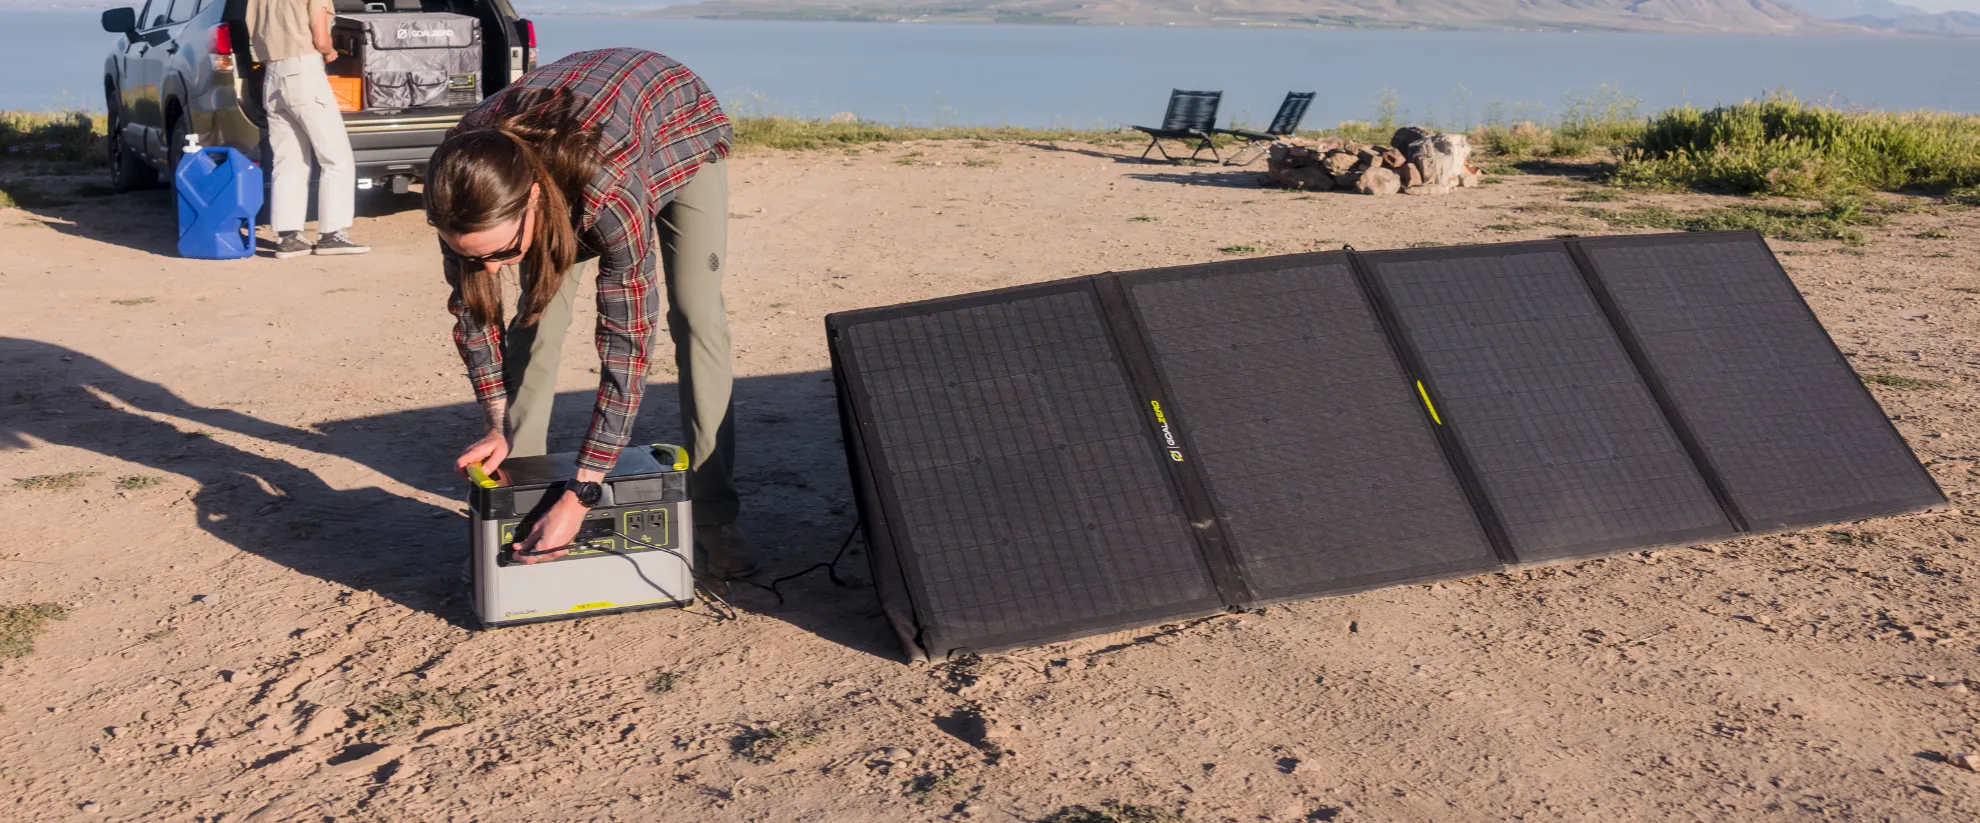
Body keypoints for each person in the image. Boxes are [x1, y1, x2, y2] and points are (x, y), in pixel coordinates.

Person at [425, 48, 752, 577]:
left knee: (696, 315)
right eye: (471, 256)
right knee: (537, 317)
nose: (489, 270)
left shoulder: (610, 190)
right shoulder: (463, 183)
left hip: (672, 129)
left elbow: (627, 343)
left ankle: (714, 513)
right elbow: (474, 314)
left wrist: (583, 490)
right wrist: (494, 421)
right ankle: (524, 490)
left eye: (504, 253)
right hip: (566, 151)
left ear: (532, 200)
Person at [244, 0, 368, 258]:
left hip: (273, 74)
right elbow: (320, 35)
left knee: (288, 160)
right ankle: (331, 234)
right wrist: (329, 50)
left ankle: (288, 237)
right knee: (336, 158)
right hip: (303, 70)